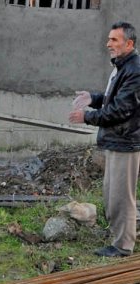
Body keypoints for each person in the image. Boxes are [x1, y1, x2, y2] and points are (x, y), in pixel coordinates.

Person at [69, 21, 140, 258]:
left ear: (129, 44)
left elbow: (121, 110)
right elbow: (112, 100)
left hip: (125, 141)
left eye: (114, 40)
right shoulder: (122, 67)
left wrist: (87, 117)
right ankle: (119, 237)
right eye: (109, 39)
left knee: (121, 197)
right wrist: (94, 98)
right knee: (112, 194)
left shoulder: (135, 70)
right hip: (117, 140)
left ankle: (123, 246)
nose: (108, 43)